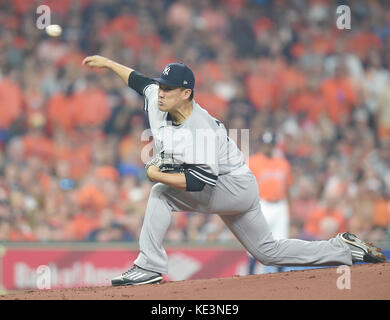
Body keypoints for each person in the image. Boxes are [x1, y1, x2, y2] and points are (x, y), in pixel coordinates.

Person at [82, 55, 386, 286]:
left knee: (161, 192)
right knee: (268, 252)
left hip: (231, 185)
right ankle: (344, 250)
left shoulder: (200, 128)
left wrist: (156, 174)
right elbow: (138, 81)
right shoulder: (157, 99)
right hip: (237, 185)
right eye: (161, 86)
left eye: (169, 89)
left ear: (186, 93)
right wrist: (108, 63)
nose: (160, 92)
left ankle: (148, 266)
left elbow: (199, 181)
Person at [247, 131, 292, 274]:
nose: (269, 147)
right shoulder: (253, 161)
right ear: (262, 145)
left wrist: (289, 208)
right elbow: (247, 187)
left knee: (281, 243)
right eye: (266, 145)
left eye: (271, 145)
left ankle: (281, 276)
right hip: (262, 205)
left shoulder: (283, 163)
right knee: (256, 242)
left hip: (280, 206)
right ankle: (250, 274)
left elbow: (288, 187)